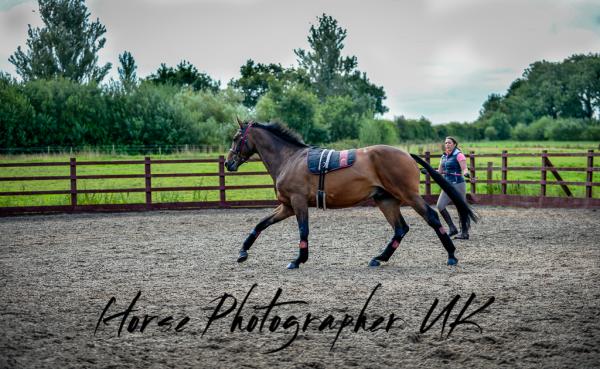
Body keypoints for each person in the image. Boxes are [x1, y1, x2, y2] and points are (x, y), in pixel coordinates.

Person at [436, 136, 470, 239]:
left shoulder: (459, 155)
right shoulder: (444, 156)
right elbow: (440, 171)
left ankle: (464, 232)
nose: (447, 145)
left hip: (458, 184)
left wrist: (466, 173)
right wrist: (429, 171)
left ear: (454, 144)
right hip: (447, 184)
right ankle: (452, 228)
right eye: (446, 143)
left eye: (449, 143)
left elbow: (464, 169)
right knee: (440, 206)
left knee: (461, 208)